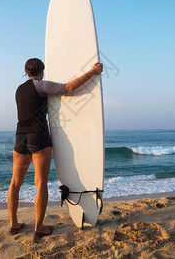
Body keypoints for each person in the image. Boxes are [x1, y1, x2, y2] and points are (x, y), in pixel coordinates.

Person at [7, 58, 103, 239]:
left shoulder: (19, 90)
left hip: (20, 137)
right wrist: (92, 72)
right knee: (40, 183)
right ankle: (39, 227)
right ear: (41, 71)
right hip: (39, 137)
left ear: (26, 71)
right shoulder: (42, 85)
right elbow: (70, 87)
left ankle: (13, 224)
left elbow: (32, 109)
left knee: (14, 183)